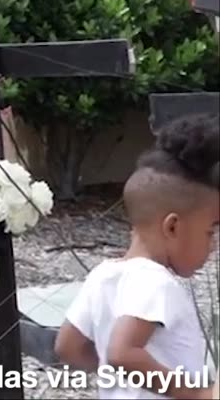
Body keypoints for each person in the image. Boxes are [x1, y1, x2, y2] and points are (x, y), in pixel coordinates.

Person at [55, 114, 219, 400]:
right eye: (209, 232)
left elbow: (67, 347)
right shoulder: (156, 282)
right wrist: (198, 395)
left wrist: (123, 381)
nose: (213, 245)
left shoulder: (103, 274)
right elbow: (123, 353)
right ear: (172, 227)